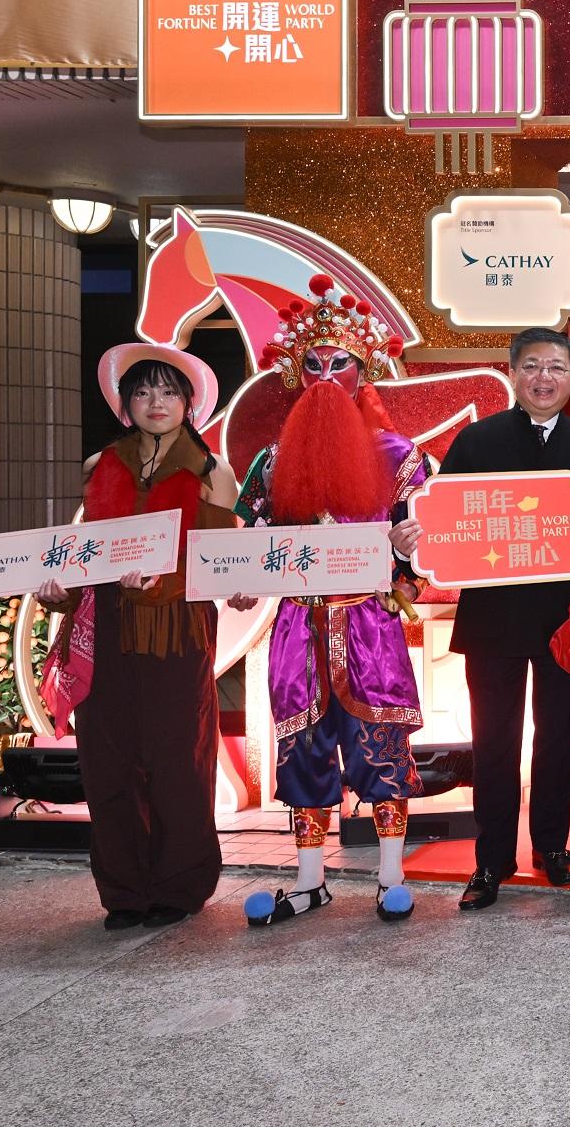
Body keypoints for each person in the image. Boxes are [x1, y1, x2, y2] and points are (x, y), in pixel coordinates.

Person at [236, 274, 431, 926]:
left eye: (339, 363)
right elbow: (244, 544)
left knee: (381, 750)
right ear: (296, 373)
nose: (326, 376)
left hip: (369, 624)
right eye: (313, 365)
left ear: (362, 369)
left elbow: (423, 555)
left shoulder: (401, 457)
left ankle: (390, 875)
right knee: (303, 754)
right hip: (298, 629)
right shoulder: (271, 461)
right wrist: (237, 574)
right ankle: (312, 879)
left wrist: (410, 548)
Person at [36, 344, 248, 930]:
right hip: (105, 628)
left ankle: (179, 886)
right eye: (143, 392)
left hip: (176, 630)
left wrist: (187, 580)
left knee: (178, 761)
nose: (156, 403)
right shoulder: (98, 464)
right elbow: (85, 556)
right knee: (108, 762)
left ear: (188, 404)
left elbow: (216, 560)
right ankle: (125, 891)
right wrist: (61, 590)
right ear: (125, 404)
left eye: (168, 392)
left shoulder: (212, 473)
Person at [426, 328, 570, 912]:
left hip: (564, 623)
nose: (544, 378)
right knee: (495, 740)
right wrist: (415, 539)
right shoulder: (476, 441)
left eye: (556, 367)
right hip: (494, 623)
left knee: (558, 739)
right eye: (531, 366)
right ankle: (491, 860)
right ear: (513, 373)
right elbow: (444, 524)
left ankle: (552, 847)